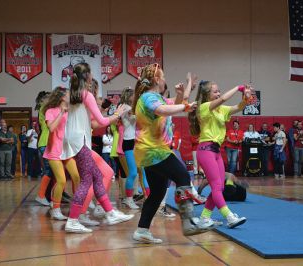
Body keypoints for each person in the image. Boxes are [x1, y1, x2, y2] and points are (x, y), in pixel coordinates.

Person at [132, 64, 207, 244]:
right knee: (182, 176)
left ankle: (142, 230)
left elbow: (177, 103)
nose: (165, 79)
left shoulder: (155, 97)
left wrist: (186, 88)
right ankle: (189, 222)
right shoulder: (149, 98)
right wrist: (184, 107)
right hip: (154, 151)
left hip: (150, 152)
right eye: (163, 76)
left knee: (157, 193)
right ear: (157, 80)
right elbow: (163, 110)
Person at [62, 63, 134, 233]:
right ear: (87, 76)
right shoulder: (86, 95)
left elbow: (94, 121)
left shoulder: (74, 94)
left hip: (74, 139)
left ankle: (109, 213)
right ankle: (73, 220)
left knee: (96, 175)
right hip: (80, 140)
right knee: (87, 180)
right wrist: (118, 113)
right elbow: (101, 121)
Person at [188, 80, 250, 230]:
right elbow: (222, 99)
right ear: (206, 94)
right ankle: (229, 216)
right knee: (216, 186)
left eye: (219, 91)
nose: (218, 93)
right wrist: (237, 87)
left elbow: (238, 107)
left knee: (220, 188)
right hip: (206, 150)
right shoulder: (203, 107)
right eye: (215, 91)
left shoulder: (221, 109)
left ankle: (204, 218)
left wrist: (245, 98)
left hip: (216, 152)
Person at [42, 87, 81, 220]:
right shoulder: (50, 111)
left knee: (76, 177)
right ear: (62, 97)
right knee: (62, 181)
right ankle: (56, 209)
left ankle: (77, 205)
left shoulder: (71, 111)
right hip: (54, 151)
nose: (71, 95)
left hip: (67, 150)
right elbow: (52, 128)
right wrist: (61, 113)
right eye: (68, 94)